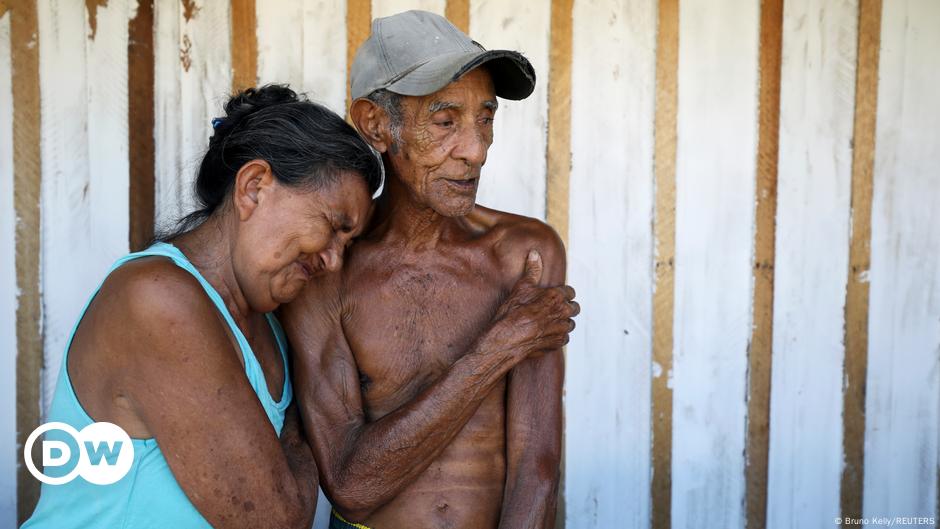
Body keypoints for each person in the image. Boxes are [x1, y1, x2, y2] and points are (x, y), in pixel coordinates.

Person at [22, 85, 382, 529]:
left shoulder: (265, 320)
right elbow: (274, 520)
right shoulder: (155, 298)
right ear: (253, 188)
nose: (333, 260)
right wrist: (304, 416)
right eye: (332, 227)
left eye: (348, 244)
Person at [279, 11, 579, 529]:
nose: (476, 150)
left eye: (485, 118)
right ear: (376, 124)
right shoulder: (327, 268)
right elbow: (352, 487)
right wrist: (499, 346)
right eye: (445, 122)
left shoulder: (523, 255)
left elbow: (538, 468)